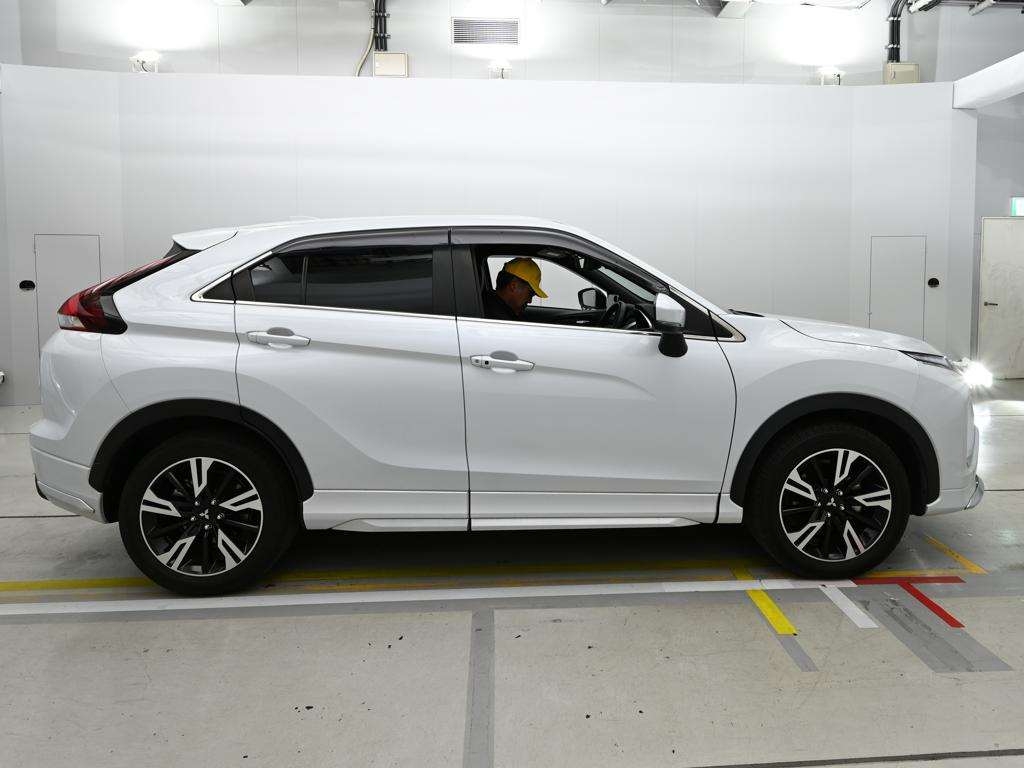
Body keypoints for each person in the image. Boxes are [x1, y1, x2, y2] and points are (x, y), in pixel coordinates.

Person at [483, 257, 548, 320]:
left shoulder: (491, 304)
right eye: (530, 294)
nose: (530, 301)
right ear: (513, 286)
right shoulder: (499, 319)